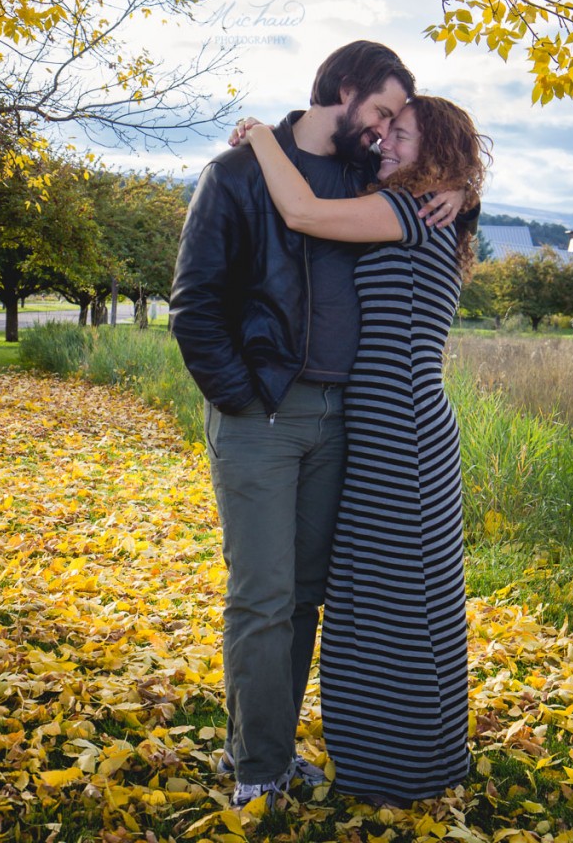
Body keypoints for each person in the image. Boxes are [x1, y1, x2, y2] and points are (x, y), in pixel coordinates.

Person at [169, 41, 473, 809]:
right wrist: (242, 396)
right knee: (263, 595)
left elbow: (427, 182)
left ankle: (278, 752)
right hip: (263, 412)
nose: (382, 133)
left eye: (393, 125)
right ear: (345, 89)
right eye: (379, 114)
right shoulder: (236, 175)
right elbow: (194, 304)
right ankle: (256, 769)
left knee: (307, 595)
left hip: (347, 421)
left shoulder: (361, 178)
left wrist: (464, 188)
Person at [239, 94, 489, 806]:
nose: (384, 144)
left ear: (437, 152)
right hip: (383, 427)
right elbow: (338, 151)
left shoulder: (414, 211)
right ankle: (406, 755)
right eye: (385, 132)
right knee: (381, 596)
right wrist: (461, 188)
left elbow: (303, 212)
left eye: (402, 136)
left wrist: (261, 136)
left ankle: (404, 767)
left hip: (402, 431)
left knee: (399, 598)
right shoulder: (426, 204)